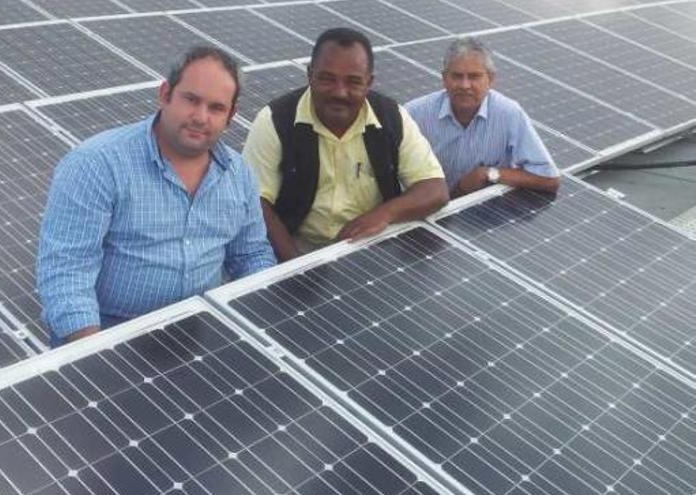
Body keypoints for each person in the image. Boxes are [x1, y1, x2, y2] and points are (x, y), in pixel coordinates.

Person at [38, 46, 275, 345]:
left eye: (216, 108)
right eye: (191, 99)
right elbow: (66, 270)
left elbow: (251, 254)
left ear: (231, 115)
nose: (201, 117)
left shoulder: (238, 173)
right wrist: (96, 355)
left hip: (198, 328)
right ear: (165, 94)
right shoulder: (97, 164)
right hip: (110, 330)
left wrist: (261, 324)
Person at [244, 28, 448, 262]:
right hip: (294, 249)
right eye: (327, 79)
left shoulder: (391, 118)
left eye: (353, 82)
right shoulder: (275, 120)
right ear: (310, 74)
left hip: (367, 251)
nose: (340, 92)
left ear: (369, 83)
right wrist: (297, 268)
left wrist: (383, 214)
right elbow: (255, 202)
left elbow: (435, 189)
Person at [405, 37, 560, 199]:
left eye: (474, 77)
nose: (465, 85)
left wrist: (488, 173)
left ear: (491, 79)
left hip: (480, 214)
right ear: (444, 78)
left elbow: (549, 179)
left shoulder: (508, 114)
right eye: (457, 76)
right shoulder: (414, 114)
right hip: (422, 211)